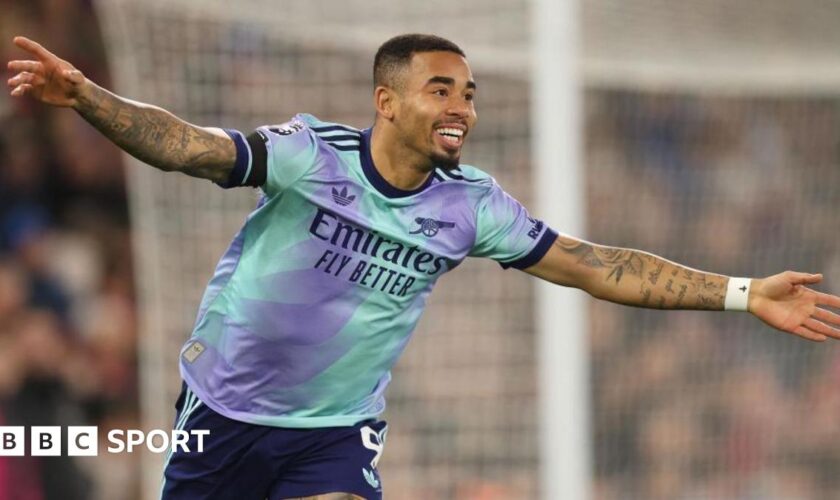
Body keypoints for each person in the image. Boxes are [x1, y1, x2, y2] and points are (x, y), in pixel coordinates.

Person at [7, 33, 840, 500]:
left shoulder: (471, 206)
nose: (462, 108)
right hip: (222, 412)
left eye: (470, 93)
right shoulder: (309, 156)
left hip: (331, 437)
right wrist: (87, 98)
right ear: (388, 101)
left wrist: (741, 293)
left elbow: (595, 266)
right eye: (443, 89)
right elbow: (190, 148)